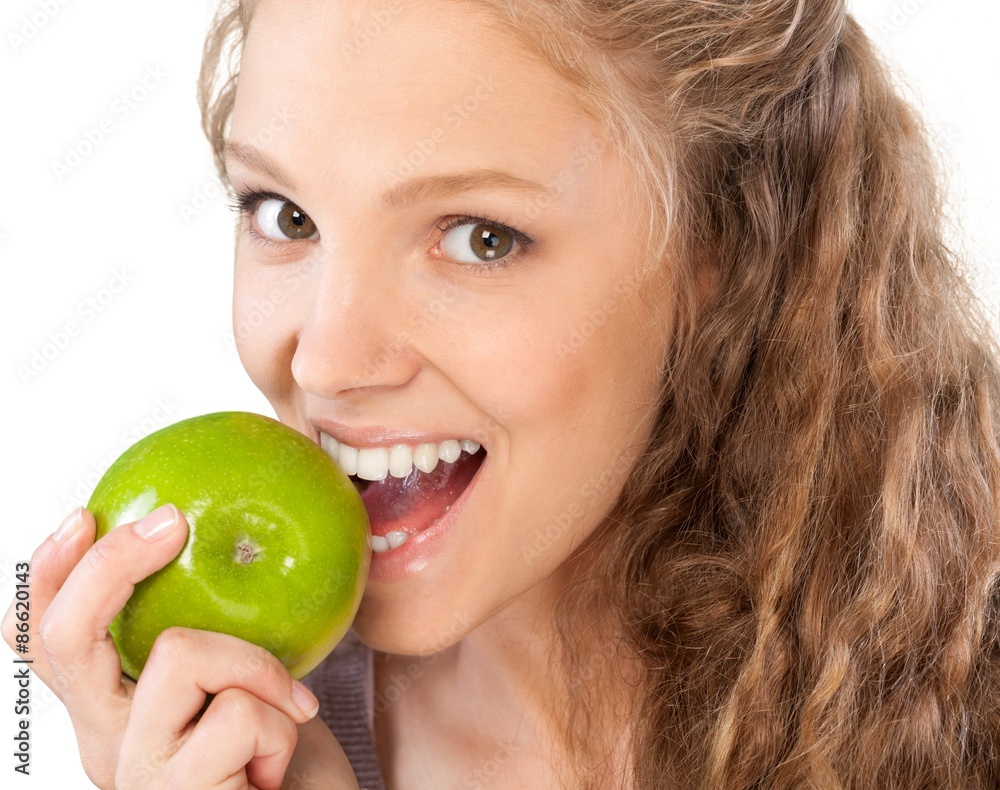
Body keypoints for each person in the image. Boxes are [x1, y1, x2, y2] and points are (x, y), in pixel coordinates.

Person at [6, 0, 1000, 786]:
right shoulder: (247, 735)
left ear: (724, 251)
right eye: (287, 214)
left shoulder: (965, 686)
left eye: (479, 237)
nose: (321, 360)